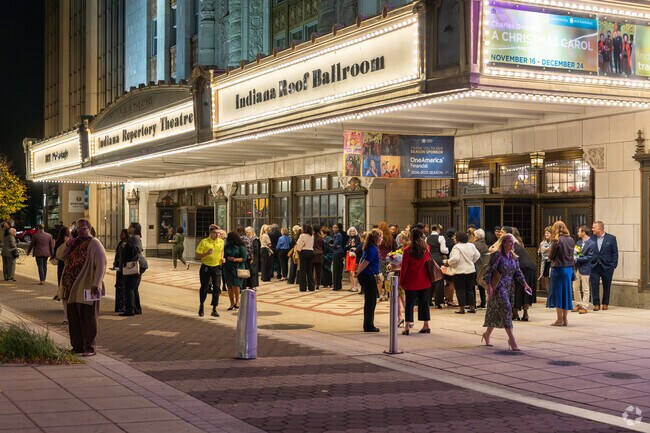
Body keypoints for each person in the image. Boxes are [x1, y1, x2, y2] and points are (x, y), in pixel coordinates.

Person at [55, 218, 106, 356]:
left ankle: (90, 347)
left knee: (88, 317)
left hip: (87, 286)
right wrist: (68, 242)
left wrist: (97, 282)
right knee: (74, 317)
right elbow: (59, 255)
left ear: (89, 229)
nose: (80, 230)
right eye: (78, 227)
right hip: (71, 287)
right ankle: (77, 346)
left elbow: (101, 264)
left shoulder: (94, 243)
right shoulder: (74, 242)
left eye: (83, 227)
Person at [482, 233, 532, 351]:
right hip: (498, 287)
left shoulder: (513, 257)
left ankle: (487, 334)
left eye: (513, 242)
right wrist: (489, 285)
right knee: (507, 308)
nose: (512, 244)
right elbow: (489, 271)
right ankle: (512, 339)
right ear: (503, 243)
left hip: (509, 287)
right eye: (509, 241)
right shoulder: (497, 255)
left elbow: (518, 272)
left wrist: (525, 284)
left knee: (494, 312)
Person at [399, 228, 431, 335]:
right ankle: (426, 325)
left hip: (411, 281)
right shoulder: (426, 249)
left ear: (411, 237)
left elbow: (404, 268)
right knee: (424, 303)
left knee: (409, 304)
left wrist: (401, 281)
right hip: (425, 280)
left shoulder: (408, 250)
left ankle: (407, 327)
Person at [546, 221, 575, 326]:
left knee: (558, 294)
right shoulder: (571, 239)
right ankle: (565, 319)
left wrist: (549, 251)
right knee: (566, 294)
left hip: (558, 269)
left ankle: (559, 320)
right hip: (568, 270)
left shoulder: (556, 240)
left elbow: (551, 256)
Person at [354, 229, 382, 332]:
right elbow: (365, 262)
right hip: (368, 276)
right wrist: (359, 272)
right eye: (381, 237)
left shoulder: (369, 247)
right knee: (371, 301)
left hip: (367, 275)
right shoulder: (373, 249)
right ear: (376, 238)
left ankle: (369, 324)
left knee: (370, 300)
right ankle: (368, 325)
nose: (382, 239)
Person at [446, 232, 480, 314]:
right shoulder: (471, 245)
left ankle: (461, 308)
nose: (454, 239)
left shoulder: (457, 247)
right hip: (471, 270)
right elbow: (477, 255)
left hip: (459, 271)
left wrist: (448, 262)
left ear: (458, 239)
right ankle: (472, 307)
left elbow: (456, 258)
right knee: (469, 289)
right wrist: (471, 261)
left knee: (460, 290)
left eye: (455, 238)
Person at [195, 224, 224, 317]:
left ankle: (214, 308)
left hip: (217, 267)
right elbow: (197, 255)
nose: (217, 235)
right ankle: (201, 305)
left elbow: (222, 250)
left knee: (217, 287)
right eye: (215, 233)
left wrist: (222, 258)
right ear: (210, 233)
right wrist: (206, 253)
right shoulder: (204, 242)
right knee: (204, 287)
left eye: (218, 233)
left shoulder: (221, 242)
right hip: (206, 267)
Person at [120, 222, 148, 317]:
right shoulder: (136, 238)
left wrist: (126, 246)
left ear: (135, 228)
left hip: (135, 264)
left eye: (130, 227)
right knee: (134, 288)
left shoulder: (133, 238)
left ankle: (130, 309)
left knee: (129, 288)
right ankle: (136, 308)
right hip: (140, 264)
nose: (128, 228)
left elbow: (136, 249)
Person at [590, 221, 618, 311]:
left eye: (594, 227)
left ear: (600, 228)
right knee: (594, 285)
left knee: (607, 285)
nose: (592, 229)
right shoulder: (591, 238)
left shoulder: (611, 238)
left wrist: (613, 265)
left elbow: (615, 253)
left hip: (607, 267)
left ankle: (605, 303)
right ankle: (596, 304)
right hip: (594, 266)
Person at [510, 227, 537, 322]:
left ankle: (515, 313)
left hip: (521, 267)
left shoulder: (510, 245)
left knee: (515, 289)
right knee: (525, 290)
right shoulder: (519, 243)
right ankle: (525, 314)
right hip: (531, 267)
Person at [51, 226, 71, 324]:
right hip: (63, 266)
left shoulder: (72, 241)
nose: (69, 233)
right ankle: (66, 316)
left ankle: (68, 315)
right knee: (64, 288)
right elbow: (57, 254)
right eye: (68, 232)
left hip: (66, 266)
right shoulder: (61, 242)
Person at [223, 231, 248, 310]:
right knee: (229, 285)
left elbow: (244, 258)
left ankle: (237, 302)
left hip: (237, 267)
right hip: (227, 267)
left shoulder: (241, 246)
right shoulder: (226, 246)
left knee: (236, 285)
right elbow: (223, 255)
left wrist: (235, 259)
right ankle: (231, 303)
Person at [573, 225, 595, 314]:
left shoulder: (592, 243)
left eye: (579, 231)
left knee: (585, 288)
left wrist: (577, 259)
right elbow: (576, 253)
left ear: (583, 232)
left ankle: (585, 306)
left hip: (585, 268)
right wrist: (575, 257)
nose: (578, 233)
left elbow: (589, 257)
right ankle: (578, 304)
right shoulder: (578, 242)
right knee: (575, 287)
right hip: (576, 268)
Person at [426, 224, 448, 308]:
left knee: (429, 279)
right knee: (439, 280)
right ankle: (438, 302)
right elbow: (443, 250)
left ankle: (428, 300)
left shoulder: (427, 238)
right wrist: (447, 250)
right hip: (438, 259)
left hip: (429, 259)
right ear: (438, 229)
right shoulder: (441, 238)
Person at [377, 222, 397, 301]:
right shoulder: (390, 237)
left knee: (379, 277)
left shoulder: (377, 237)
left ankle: (380, 295)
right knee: (387, 278)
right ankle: (386, 294)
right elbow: (395, 248)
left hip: (379, 258)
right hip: (388, 258)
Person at [112, 228, 129, 313]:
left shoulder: (126, 244)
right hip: (119, 267)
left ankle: (122, 306)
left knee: (122, 286)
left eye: (122, 234)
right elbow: (118, 255)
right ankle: (118, 306)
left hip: (123, 268)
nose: (120, 235)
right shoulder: (120, 243)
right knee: (118, 286)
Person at [472, 229, 490, 309]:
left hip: (476, 266)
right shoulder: (485, 245)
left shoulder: (474, 245)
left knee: (472, 286)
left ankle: (473, 303)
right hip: (483, 267)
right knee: (481, 286)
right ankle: (483, 302)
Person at [296, 224, 315, 292]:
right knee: (309, 270)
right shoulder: (312, 235)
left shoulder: (302, 235)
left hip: (304, 252)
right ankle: (311, 287)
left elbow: (299, 244)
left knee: (302, 271)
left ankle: (303, 287)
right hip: (311, 252)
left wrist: (298, 251)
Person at [345, 227, 360, 292]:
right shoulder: (348, 238)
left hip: (354, 256)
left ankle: (355, 287)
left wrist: (351, 247)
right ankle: (352, 286)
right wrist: (350, 246)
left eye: (353, 231)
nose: (352, 232)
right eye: (351, 231)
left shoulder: (357, 238)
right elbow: (346, 247)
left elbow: (357, 247)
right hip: (349, 255)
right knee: (349, 271)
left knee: (353, 271)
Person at [331, 223, 345, 291]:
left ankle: (336, 286)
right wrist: (333, 245)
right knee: (336, 270)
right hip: (336, 253)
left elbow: (334, 244)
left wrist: (332, 245)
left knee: (337, 270)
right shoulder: (335, 235)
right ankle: (337, 285)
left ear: (338, 228)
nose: (334, 229)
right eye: (333, 227)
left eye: (336, 227)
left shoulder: (338, 235)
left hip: (338, 253)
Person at [538, 227, 552, 293]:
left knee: (552, 280)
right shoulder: (542, 243)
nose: (546, 234)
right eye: (545, 233)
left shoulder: (554, 242)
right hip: (545, 263)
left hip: (552, 263)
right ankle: (548, 297)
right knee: (546, 280)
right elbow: (540, 251)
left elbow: (552, 252)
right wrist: (547, 250)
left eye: (548, 233)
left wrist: (546, 250)